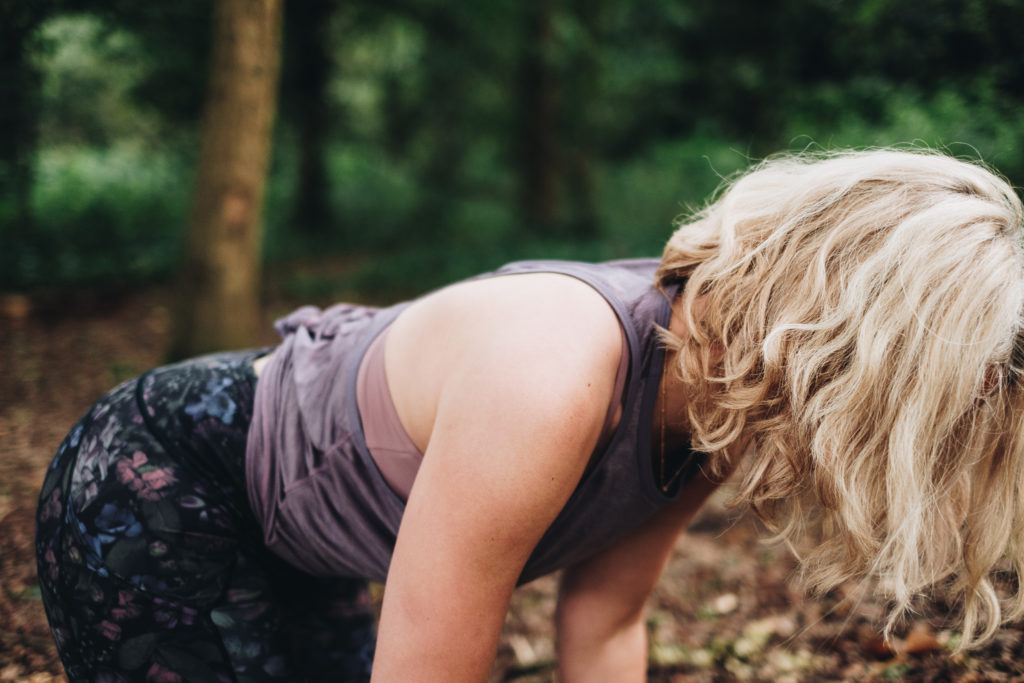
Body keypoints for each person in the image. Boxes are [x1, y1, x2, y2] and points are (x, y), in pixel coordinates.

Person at [35, 148, 1024, 682]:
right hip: (162, 474)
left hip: (303, 543)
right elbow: (431, 662)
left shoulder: (727, 399)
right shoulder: (551, 375)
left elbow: (604, 621)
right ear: (834, 341)